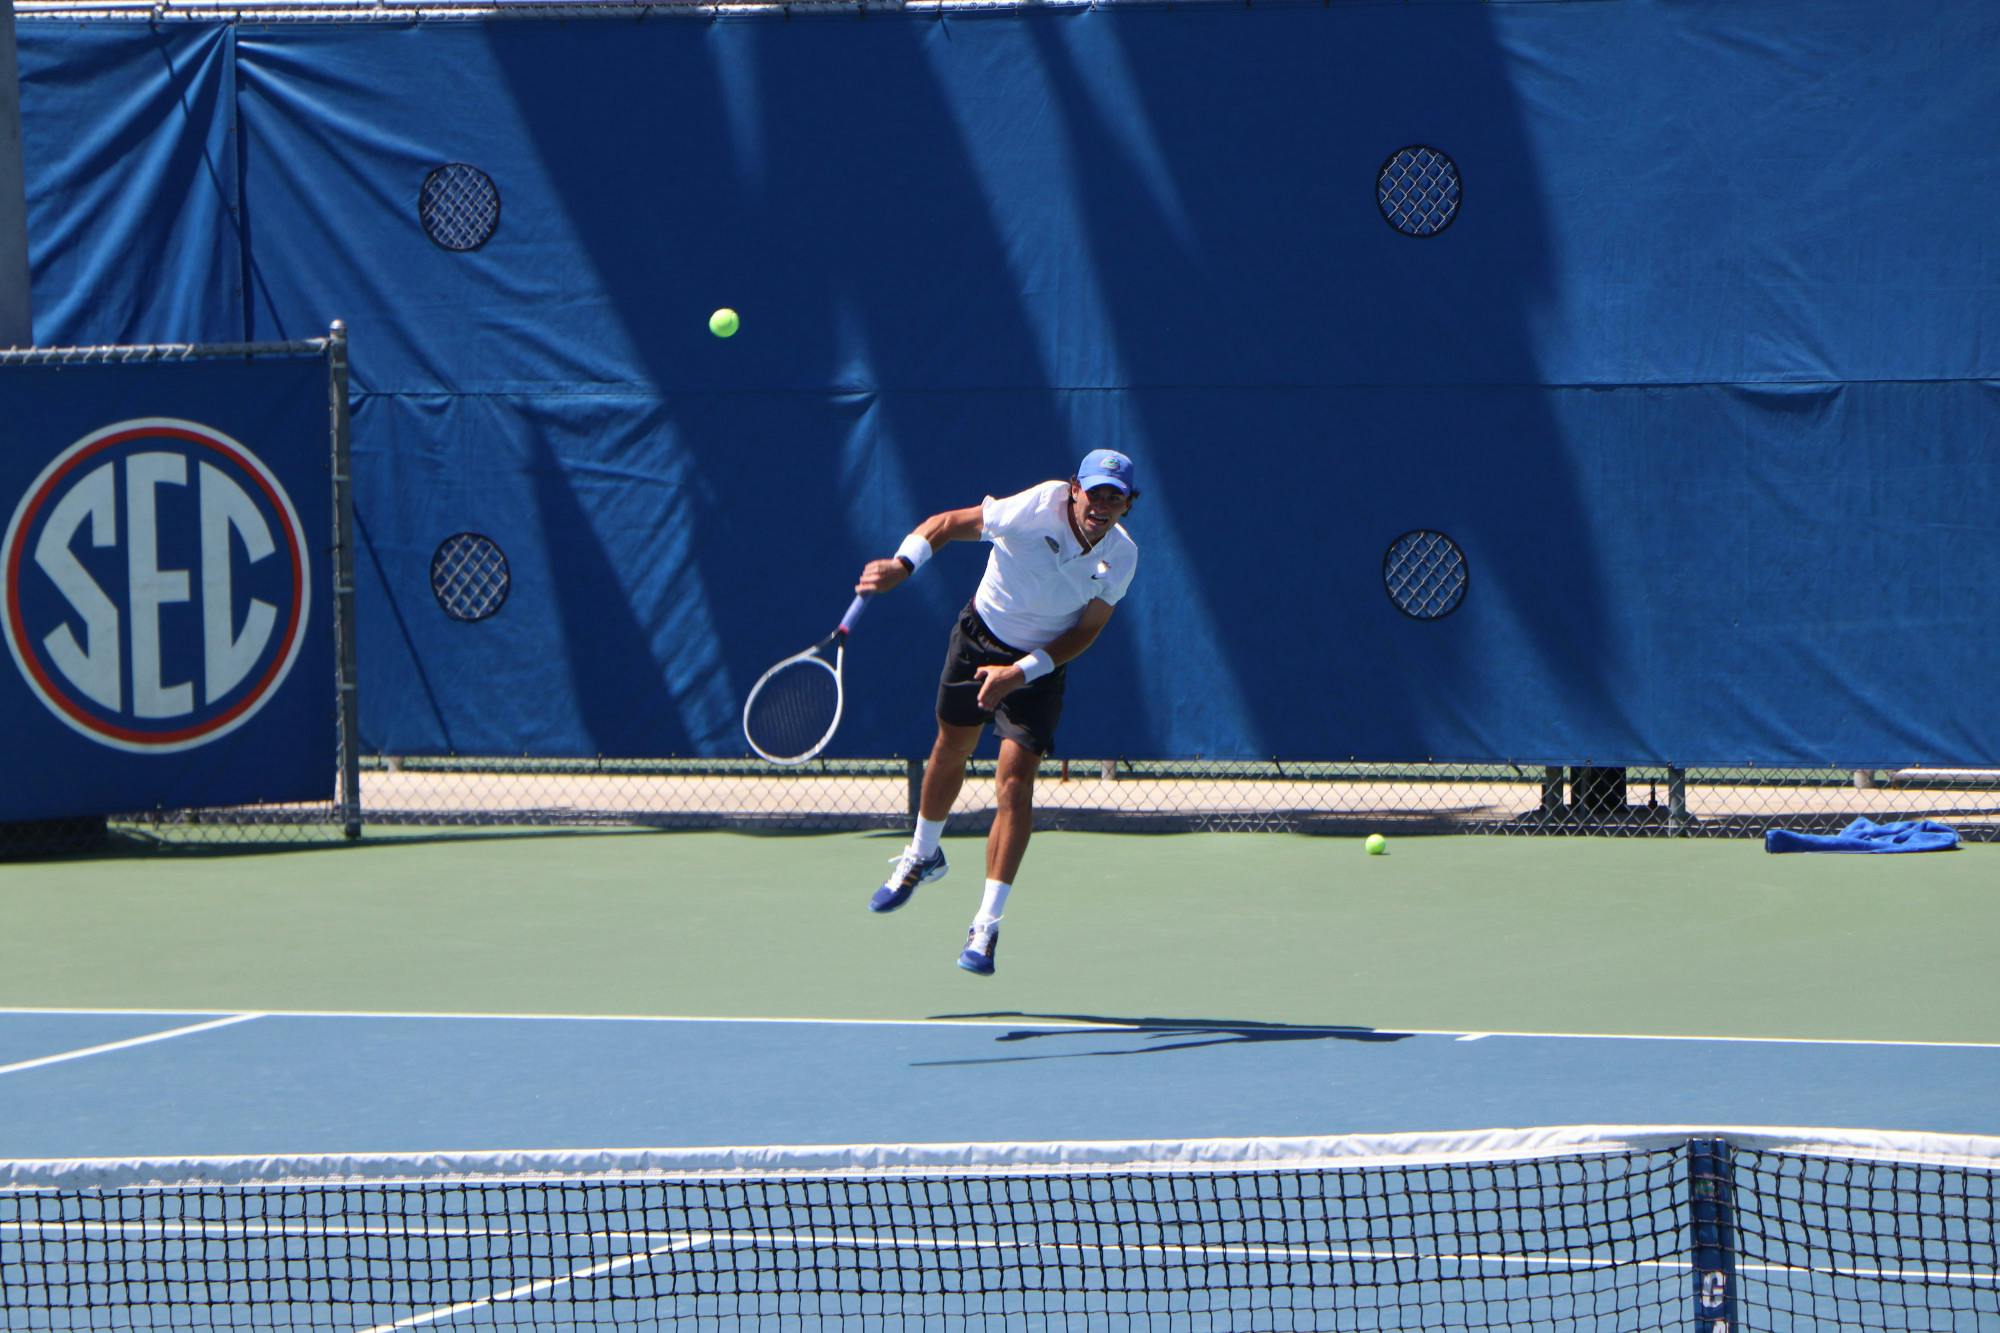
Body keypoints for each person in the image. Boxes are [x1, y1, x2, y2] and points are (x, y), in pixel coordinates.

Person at [854, 449, 1139, 975]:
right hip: (979, 637)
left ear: (1127, 505)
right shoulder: (1036, 506)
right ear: (1075, 489)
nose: (1101, 504)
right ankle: (923, 854)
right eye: (1094, 492)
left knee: (1014, 783)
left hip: (1038, 666)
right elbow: (945, 524)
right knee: (952, 748)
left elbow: (1086, 632)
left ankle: (985, 925)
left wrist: (1021, 673)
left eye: (1113, 498)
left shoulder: (1120, 557)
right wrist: (902, 565)